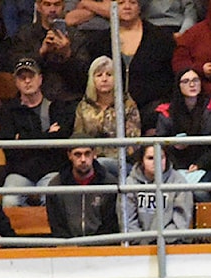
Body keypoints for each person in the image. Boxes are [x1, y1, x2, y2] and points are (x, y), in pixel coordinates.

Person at [86, 0, 176, 134]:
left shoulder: (161, 38)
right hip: (110, 112)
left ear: (140, 7)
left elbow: (170, 78)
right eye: (121, 2)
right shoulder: (99, 42)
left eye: (132, 2)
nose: (127, 7)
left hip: (151, 112)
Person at [0, 57, 76, 207]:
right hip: (20, 173)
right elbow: (9, 149)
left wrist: (23, 139)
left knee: (52, 200)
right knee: (10, 200)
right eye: (22, 78)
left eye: (31, 76)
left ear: (40, 79)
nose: (27, 81)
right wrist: (47, 135)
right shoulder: (9, 111)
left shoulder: (57, 107)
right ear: (16, 82)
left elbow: (60, 142)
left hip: (51, 171)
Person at [154, 68, 211, 198]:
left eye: (195, 80)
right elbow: (160, 144)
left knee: (199, 193)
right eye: (186, 81)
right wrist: (174, 146)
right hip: (174, 166)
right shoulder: (167, 112)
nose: (192, 84)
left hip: (205, 166)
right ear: (178, 85)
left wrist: (200, 164)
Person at [73, 55, 142, 179]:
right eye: (99, 75)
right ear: (92, 80)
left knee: (102, 165)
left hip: (122, 162)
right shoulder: (83, 106)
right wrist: (91, 156)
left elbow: (133, 142)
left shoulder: (127, 104)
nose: (104, 79)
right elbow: (79, 137)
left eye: (109, 75)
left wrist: (108, 156)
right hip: (89, 161)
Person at [9, 0, 92, 103]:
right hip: (34, 99)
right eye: (47, 4)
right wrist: (41, 52)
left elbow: (84, 77)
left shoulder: (77, 37)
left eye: (57, 4)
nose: (52, 9)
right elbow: (16, 65)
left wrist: (67, 54)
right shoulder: (25, 35)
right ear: (39, 6)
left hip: (69, 99)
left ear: (63, 6)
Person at [46, 138, 120, 238]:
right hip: (68, 247)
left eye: (87, 153)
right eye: (78, 154)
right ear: (69, 155)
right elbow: (57, 225)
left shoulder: (109, 183)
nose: (83, 159)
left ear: (94, 154)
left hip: (102, 246)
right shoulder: (56, 185)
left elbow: (111, 224)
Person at [122, 144, 194, 239]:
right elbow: (128, 221)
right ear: (142, 161)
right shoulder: (130, 183)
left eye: (161, 157)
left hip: (171, 245)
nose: (156, 162)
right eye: (150, 158)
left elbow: (180, 222)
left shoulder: (179, 182)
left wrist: (161, 241)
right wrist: (143, 243)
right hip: (138, 247)